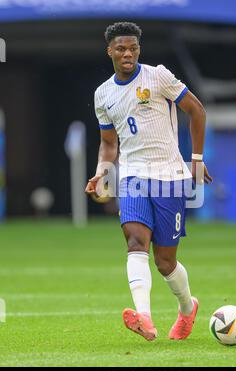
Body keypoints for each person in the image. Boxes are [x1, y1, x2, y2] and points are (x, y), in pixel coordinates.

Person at [85, 22, 212, 341]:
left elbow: (196, 110)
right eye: (121, 49)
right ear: (109, 51)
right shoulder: (103, 93)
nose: (127, 54)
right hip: (132, 177)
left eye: (133, 48)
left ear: (138, 50)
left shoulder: (158, 76)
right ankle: (144, 317)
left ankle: (187, 308)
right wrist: (102, 171)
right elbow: (109, 143)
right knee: (135, 242)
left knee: (165, 261)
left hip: (170, 176)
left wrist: (196, 160)